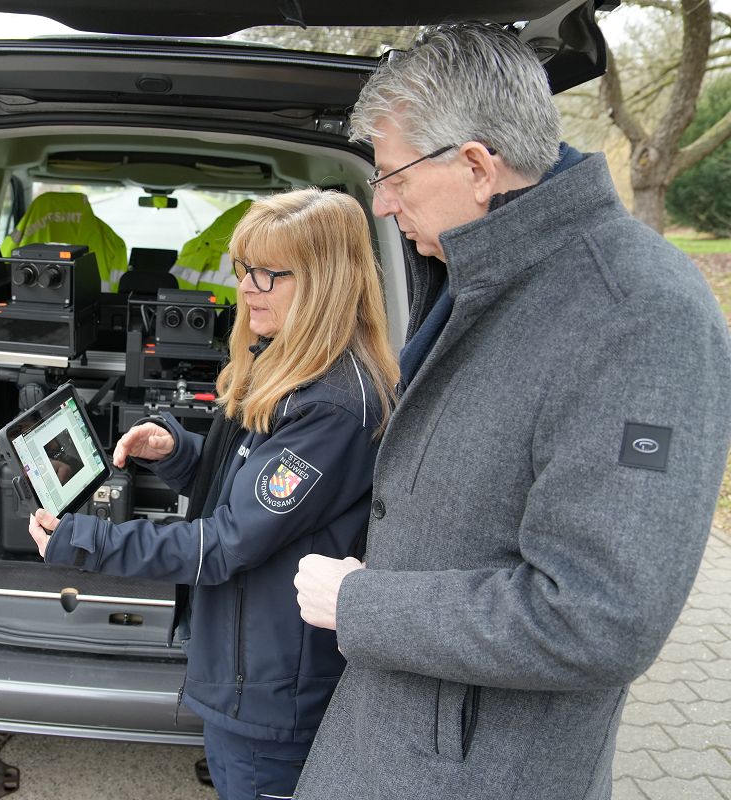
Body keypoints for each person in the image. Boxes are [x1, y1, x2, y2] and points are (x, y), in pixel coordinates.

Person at [292, 22, 731, 800]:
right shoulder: (489, 268)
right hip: (402, 736)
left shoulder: (638, 314)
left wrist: (363, 604)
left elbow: (598, 616)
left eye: (391, 177)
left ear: (475, 166)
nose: (383, 206)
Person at [27, 188, 400, 800]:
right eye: (243, 269)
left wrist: (84, 540)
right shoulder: (287, 366)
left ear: (326, 282)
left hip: (270, 691)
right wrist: (177, 455)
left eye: (268, 274)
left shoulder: (332, 405)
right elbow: (247, 494)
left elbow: (228, 542)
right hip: (246, 666)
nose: (247, 288)